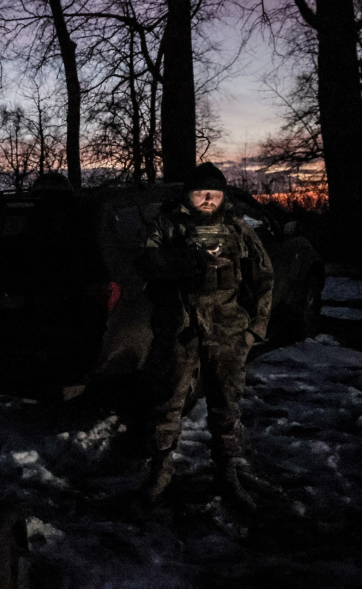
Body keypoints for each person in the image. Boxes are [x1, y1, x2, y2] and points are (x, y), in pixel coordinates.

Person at [138, 162, 274, 511]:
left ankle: (227, 470)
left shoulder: (238, 229)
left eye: (214, 194)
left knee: (226, 403)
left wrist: (253, 330)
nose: (208, 200)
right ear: (189, 196)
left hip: (227, 332)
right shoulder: (167, 226)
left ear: (224, 196)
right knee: (168, 401)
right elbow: (145, 261)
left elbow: (263, 279)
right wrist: (181, 261)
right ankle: (161, 468)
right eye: (201, 194)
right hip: (180, 330)